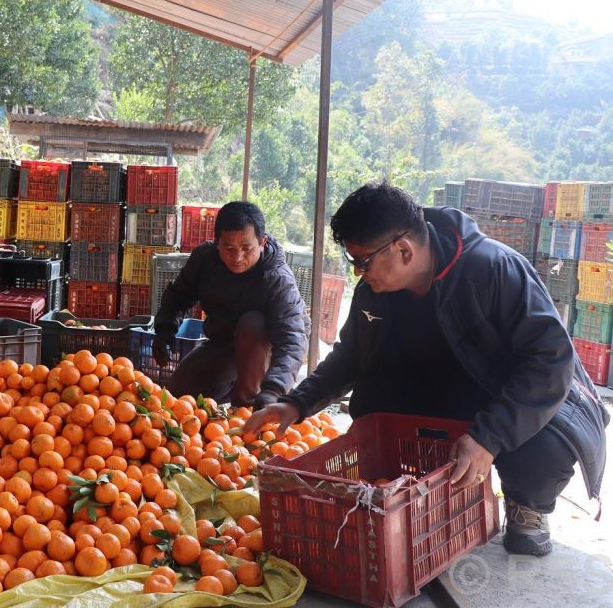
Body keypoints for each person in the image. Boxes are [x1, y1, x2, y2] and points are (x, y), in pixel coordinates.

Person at [244, 182, 609, 557]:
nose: (358, 274)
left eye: (363, 263)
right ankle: (415, 489)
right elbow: (352, 355)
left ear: (403, 250)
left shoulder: (492, 269)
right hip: (445, 394)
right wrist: (296, 403)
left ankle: (528, 506)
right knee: (373, 407)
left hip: (509, 394)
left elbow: (550, 360)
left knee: (545, 445)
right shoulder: (374, 292)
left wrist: (489, 437)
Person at [152, 201, 309, 409]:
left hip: (267, 350)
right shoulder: (205, 259)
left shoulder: (277, 279)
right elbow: (179, 294)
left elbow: (292, 340)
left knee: (254, 323)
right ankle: (234, 388)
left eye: (246, 248)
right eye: (229, 248)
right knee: (177, 396)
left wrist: (274, 389)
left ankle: (247, 406)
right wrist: (165, 330)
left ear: (262, 242)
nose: (238, 258)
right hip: (225, 343)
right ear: (217, 242)